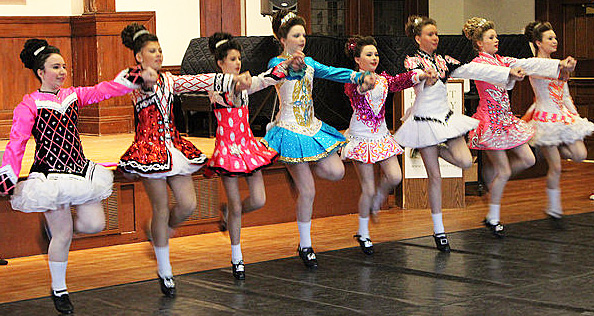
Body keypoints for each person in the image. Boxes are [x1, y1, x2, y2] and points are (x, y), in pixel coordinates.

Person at [0, 38, 153, 314]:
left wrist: (135, 76)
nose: (62, 71)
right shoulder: (29, 104)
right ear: (40, 72)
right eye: (55, 67)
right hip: (50, 176)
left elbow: (102, 90)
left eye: (64, 66)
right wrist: (7, 176)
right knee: (64, 235)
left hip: (81, 170)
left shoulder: (73, 95)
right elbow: (16, 142)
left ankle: (57, 231)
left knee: (95, 224)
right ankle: (60, 289)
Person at [118, 23, 250, 296]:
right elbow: (137, 81)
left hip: (173, 148)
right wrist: (143, 76)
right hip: (148, 151)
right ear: (139, 56)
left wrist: (231, 80)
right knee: (162, 207)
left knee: (189, 204)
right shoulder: (136, 80)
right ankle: (165, 271)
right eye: (152, 51)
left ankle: (159, 232)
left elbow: (197, 81)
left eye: (160, 50)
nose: (158, 54)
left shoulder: (169, 80)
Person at [394, 15, 525, 252]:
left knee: (465, 161)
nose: (435, 38)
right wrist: (423, 75)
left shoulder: (445, 60)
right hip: (424, 121)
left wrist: (506, 74)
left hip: (446, 118)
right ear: (418, 38)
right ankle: (439, 229)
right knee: (435, 177)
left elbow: (471, 69)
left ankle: (439, 151)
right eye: (430, 34)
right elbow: (410, 75)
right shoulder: (412, 60)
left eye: (436, 34)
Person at [263, 10, 375, 268]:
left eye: (303, 34)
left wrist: (358, 75)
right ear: (282, 39)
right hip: (289, 130)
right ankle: (305, 245)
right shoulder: (275, 62)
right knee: (309, 190)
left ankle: (302, 168)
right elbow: (278, 73)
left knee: (336, 171)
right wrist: (290, 66)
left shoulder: (311, 62)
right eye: (295, 35)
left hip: (311, 129)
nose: (302, 39)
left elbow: (334, 72)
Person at [463, 17, 570, 237]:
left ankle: (493, 177)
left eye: (496, 37)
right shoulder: (477, 63)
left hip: (506, 120)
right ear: (480, 43)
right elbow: (487, 74)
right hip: (490, 123)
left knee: (529, 159)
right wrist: (508, 74)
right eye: (491, 38)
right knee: (504, 170)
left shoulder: (502, 60)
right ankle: (492, 217)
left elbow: (530, 63)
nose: (496, 40)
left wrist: (557, 64)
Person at [206, 32, 301, 279]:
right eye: (232, 59)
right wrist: (241, 83)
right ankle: (237, 257)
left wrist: (287, 65)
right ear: (220, 63)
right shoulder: (217, 87)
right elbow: (232, 89)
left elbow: (267, 79)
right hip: (227, 149)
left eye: (239, 58)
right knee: (236, 203)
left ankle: (229, 213)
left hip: (247, 147)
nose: (238, 63)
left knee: (258, 199)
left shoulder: (245, 84)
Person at [342, 35, 436, 254]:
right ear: (357, 59)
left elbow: (401, 80)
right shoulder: (352, 80)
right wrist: (363, 85)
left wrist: (420, 73)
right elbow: (353, 92)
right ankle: (363, 233)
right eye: (368, 54)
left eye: (376, 54)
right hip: (361, 137)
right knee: (367, 188)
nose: (374, 58)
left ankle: (378, 199)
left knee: (395, 176)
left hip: (381, 136)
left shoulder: (384, 79)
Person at [524, 21, 592, 225]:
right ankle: (554, 209)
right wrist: (563, 66)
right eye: (550, 39)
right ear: (538, 42)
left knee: (580, 155)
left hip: (562, 116)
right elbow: (546, 72)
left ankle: (549, 150)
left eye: (555, 38)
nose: (555, 41)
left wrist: (574, 116)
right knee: (556, 168)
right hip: (545, 118)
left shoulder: (559, 63)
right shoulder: (535, 64)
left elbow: (564, 93)